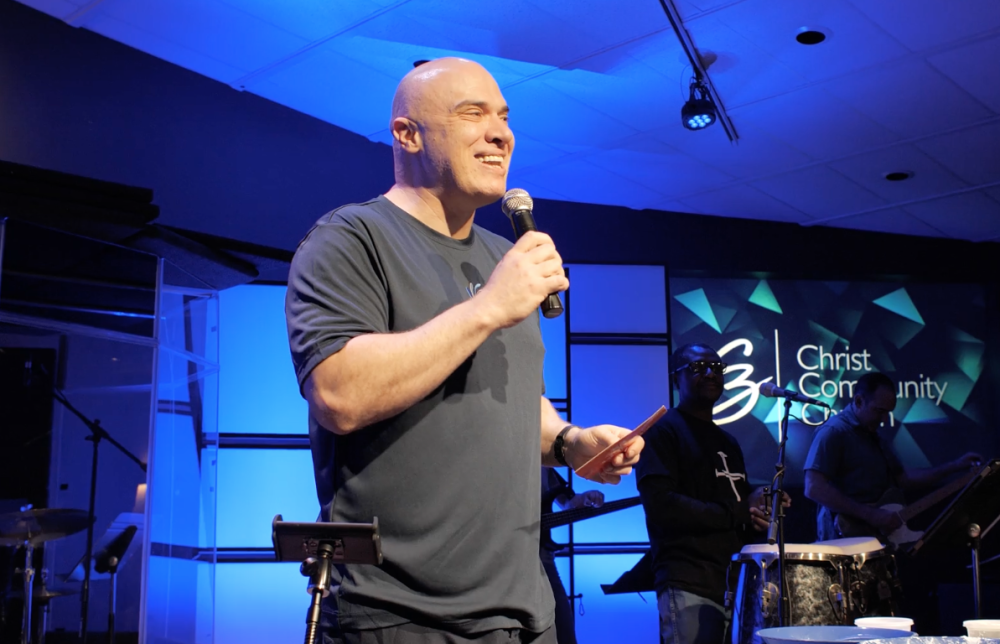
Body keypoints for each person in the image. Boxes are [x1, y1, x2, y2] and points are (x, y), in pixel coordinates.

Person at [285, 57, 643, 644]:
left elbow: (511, 401)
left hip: (524, 611)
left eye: (504, 117)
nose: (501, 134)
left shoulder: (503, 255)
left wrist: (569, 442)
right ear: (407, 134)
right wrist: (488, 308)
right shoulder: (350, 239)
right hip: (400, 615)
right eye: (472, 114)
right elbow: (338, 394)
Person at [636, 343, 784, 644]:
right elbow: (662, 507)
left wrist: (761, 507)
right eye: (697, 367)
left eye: (716, 367)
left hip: (735, 584)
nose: (710, 373)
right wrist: (741, 510)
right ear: (675, 379)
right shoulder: (661, 432)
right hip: (688, 581)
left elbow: (737, 506)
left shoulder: (727, 441)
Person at [803, 371, 982, 542]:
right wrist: (871, 515)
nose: (884, 419)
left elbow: (903, 479)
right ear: (859, 401)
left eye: (888, 412)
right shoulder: (834, 431)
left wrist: (955, 466)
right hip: (843, 542)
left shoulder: (873, 436)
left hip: (874, 541)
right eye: (879, 411)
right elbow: (813, 487)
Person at [539, 469, 604, 644]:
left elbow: (567, 502)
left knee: (563, 629)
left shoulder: (543, 462)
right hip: (505, 558)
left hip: (542, 560)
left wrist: (585, 498)